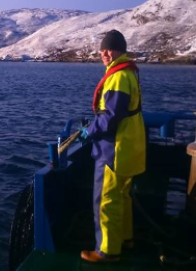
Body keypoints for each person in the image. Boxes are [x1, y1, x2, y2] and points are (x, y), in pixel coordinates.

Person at [78, 29, 146, 263]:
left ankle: (107, 251)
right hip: (130, 146)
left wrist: (90, 130)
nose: (105, 53)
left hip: (114, 149)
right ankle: (125, 239)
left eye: (110, 49)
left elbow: (112, 117)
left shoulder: (118, 77)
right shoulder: (129, 73)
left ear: (120, 50)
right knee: (122, 197)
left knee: (106, 200)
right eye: (103, 49)